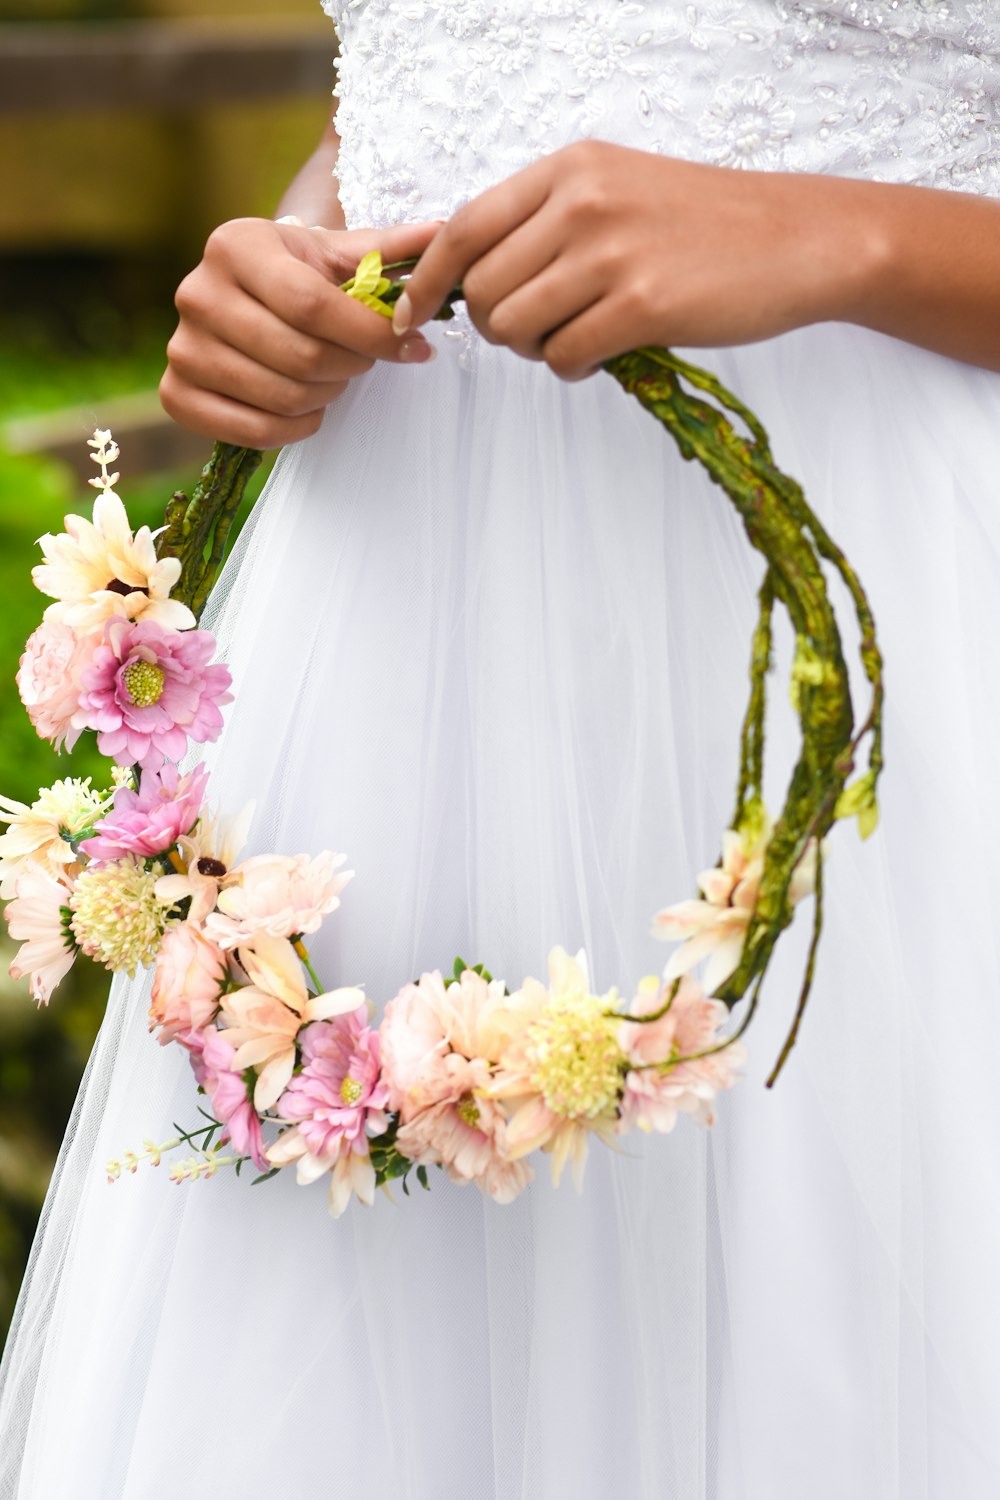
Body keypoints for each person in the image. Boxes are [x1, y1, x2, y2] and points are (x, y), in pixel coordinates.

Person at [3, 3, 1000, 1495]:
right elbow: (434, 68)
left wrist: (840, 234)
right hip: (403, 646)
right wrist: (294, 257)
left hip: (869, 607)